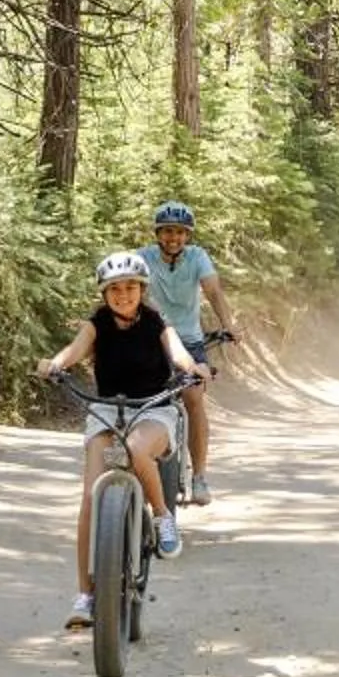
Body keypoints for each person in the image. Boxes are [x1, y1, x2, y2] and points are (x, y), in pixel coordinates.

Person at [39, 248, 206, 632]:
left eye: (131, 287)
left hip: (154, 409)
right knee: (88, 498)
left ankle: (163, 518)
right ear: (104, 293)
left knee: (136, 448)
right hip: (106, 411)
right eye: (115, 288)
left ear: (142, 289)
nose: (123, 294)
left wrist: (193, 367)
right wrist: (56, 364)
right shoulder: (97, 322)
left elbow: (178, 352)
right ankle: (86, 596)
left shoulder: (155, 321)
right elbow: (75, 350)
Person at [140, 201, 233, 504]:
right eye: (167, 231)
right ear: (158, 233)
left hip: (190, 343)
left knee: (194, 399)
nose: (173, 238)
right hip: (152, 340)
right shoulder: (142, 258)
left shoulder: (197, 257)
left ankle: (200, 477)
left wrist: (228, 324)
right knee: (142, 400)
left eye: (180, 232)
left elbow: (213, 291)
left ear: (188, 236)